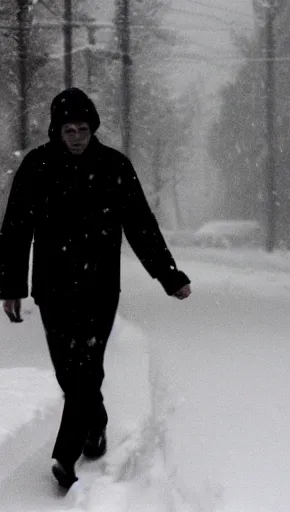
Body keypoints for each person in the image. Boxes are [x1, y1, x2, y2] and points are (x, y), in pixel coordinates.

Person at [0, 88, 191, 489]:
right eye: (68, 129)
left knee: (86, 367)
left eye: (83, 129)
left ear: (93, 128)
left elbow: (141, 224)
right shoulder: (37, 166)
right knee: (69, 372)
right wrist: (10, 286)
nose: (76, 136)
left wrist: (168, 275)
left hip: (100, 287)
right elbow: (15, 229)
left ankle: (65, 457)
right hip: (51, 288)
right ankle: (95, 423)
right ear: (57, 129)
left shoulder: (113, 166)